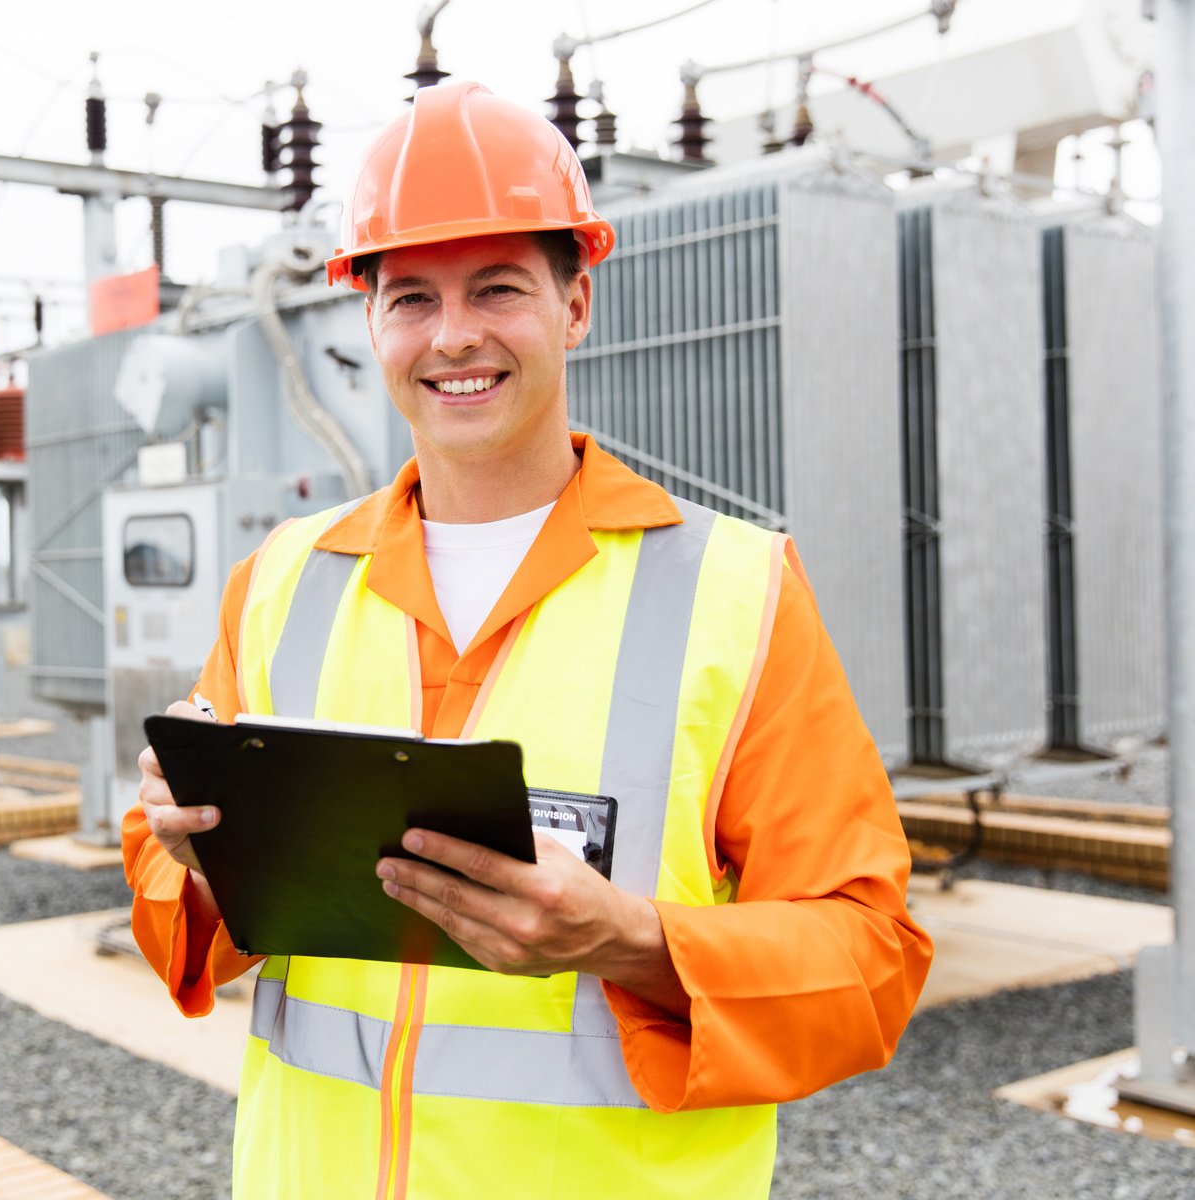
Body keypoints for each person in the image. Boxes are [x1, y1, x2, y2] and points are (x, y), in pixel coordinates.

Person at [123, 80, 931, 1200]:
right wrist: (197, 851)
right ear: (369, 322)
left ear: (576, 303)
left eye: (497, 287)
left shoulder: (736, 593)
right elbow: (183, 914)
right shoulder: (281, 584)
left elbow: (869, 961)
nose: (453, 336)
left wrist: (629, 940)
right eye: (411, 297)